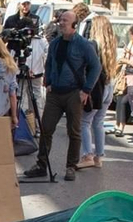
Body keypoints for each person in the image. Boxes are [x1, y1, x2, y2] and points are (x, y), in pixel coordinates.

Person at [29, 10, 101, 182]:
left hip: (73, 93)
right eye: (61, 20)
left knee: (74, 132)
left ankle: (71, 166)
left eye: (65, 21)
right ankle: (41, 165)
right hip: (55, 93)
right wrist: (48, 82)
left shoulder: (84, 45)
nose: (61, 23)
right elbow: (50, 63)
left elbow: (95, 67)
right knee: (46, 129)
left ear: (74, 25)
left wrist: (86, 90)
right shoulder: (55, 43)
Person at [79, 16, 120, 169]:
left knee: (85, 121)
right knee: (98, 122)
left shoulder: (93, 44)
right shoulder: (111, 45)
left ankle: (87, 154)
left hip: (97, 87)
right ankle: (99, 156)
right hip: (109, 85)